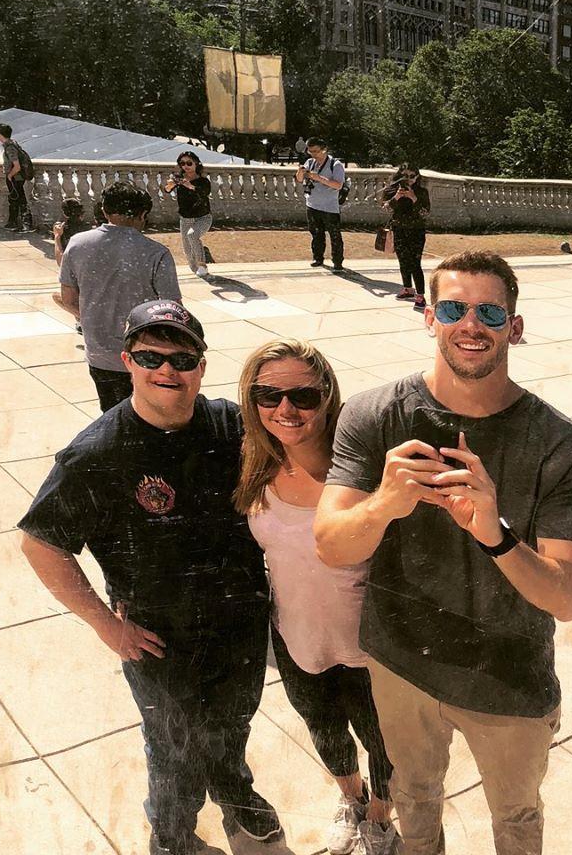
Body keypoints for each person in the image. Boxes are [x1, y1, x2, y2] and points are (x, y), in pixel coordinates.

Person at [314, 251, 572, 855]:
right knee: (415, 801)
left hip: (509, 678)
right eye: (453, 308)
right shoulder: (373, 414)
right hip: (402, 662)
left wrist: (494, 533)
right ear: (428, 316)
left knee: (517, 817)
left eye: (491, 312)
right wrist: (385, 503)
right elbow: (331, 545)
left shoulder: (562, 444)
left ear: (513, 329)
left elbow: (571, 599)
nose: (471, 324)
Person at [18, 301, 282, 855]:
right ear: (127, 362)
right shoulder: (98, 453)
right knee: (174, 749)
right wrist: (103, 624)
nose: (168, 370)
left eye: (182, 358)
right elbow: (41, 543)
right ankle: (173, 838)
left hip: (239, 623)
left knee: (233, 724)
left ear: (201, 367)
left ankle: (237, 796)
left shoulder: (230, 424)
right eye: (150, 356)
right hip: (162, 639)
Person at [234, 340, 397, 855]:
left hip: (369, 645)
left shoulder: (364, 472)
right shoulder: (254, 464)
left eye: (303, 395)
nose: (286, 410)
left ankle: (379, 818)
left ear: (329, 397)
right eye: (268, 395)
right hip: (296, 638)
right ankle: (352, 801)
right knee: (326, 732)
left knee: (384, 744)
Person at [56, 180, 181, 412]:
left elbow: (69, 300)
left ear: (104, 211)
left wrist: (94, 317)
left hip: (98, 353)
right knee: (149, 417)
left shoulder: (77, 244)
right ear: (143, 214)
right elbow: (172, 311)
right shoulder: (156, 253)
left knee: (112, 415)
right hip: (145, 358)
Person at [382, 164, 430, 310]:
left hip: (417, 231)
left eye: (412, 176)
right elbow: (386, 209)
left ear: (417, 177)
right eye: (405, 176)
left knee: (415, 263)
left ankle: (420, 295)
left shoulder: (422, 192)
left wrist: (413, 198)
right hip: (399, 229)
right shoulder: (391, 190)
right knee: (403, 260)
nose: (408, 180)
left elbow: (425, 213)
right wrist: (397, 196)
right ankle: (407, 288)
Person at [296, 137, 346, 272]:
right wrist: (300, 171)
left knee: (334, 235)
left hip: (329, 207)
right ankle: (318, 258)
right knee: (316, 234)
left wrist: (318, 178)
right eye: (310, 151)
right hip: (312, 204)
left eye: (316, 151)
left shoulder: (335, 165)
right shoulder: (310, 162)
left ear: (324, 150)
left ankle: (337, 262)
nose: (313, 154)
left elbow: (338, 185)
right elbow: (300, 180)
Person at [165, 151, 214, 277]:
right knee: (188, 252)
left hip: (203, 218)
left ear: (196, 163)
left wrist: (190, 186)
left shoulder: (203, 181)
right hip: (185, 219)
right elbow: (167, 190)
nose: (185, 166)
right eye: (182, 163)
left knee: (192, 235)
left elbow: (204, 193)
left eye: (189, 163)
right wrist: (170, 186)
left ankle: (202, 265)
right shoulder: (178, 179)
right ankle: (197, 269)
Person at [0, 123, 32, 233]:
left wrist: (9, 175)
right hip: (17, 177)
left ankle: (21, 223)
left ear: (0, 134)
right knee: (18, 199)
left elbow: (17, 166)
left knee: (16, 199)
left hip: (15, 177)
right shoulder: (12, 144)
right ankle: (21, 223)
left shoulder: (10, 147)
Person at [52, 197, 92, 267]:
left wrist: (57, 236)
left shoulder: (61, 229)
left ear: (64, 213)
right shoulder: (88, 227)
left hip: (71, 267)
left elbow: (61, 262)